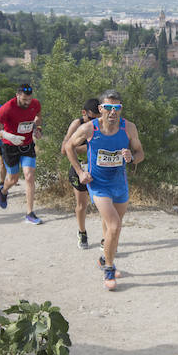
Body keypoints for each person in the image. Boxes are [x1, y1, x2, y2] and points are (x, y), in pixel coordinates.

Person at [65, 91, 144, 289]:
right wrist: (80, 171)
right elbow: (68, 147)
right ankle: (109, 269)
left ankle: (103, 258)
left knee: (113, 230)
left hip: (120, 184)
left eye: (116, 108)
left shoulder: (129, 128)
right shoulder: (89, 129)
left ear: (121, 109)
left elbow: (140, 152)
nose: (112, 112)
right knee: (115, 226)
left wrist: (132, 158)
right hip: (98, 184)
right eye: (108, 108)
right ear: (100, 109)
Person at [0, 84, 43, 224]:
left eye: (29, 99)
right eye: (24, 100)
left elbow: (38, 116)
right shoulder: (7, 107)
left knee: (29, 176)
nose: (27, 103)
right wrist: (6, 135)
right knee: (13, 179)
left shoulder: (35, 104)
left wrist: (37, 128)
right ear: (17, 95)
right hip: (10, 147)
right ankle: (4, 191)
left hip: (27, 146)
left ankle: (30, 213)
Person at [61, 98, 101, 249]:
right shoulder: (77, 124)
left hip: (98, 169)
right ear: (84, 113)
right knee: (82, 205)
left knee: (104, 204)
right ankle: (82, 232)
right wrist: (87, 148)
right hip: (80, 168)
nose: (94, 122)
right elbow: (64, 149)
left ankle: (107, 239)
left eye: (98, 119)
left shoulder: (103, 124)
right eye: (91, 118)